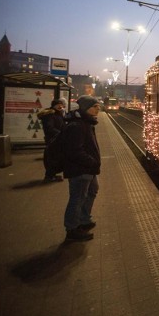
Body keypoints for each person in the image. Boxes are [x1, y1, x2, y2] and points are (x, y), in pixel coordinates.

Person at [62, 96, 101, 242]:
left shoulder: (86, 122)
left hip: (88, 169)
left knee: (92, 191)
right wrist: (91, 162)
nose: (98, 108)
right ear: (86, 108)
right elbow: (74, 151)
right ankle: (72, 229)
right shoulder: (77, 125)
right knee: (77, 198)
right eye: (95, 106)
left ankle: (84, 219)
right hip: (81, 170)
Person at [37, 98, 67, 182]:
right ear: (54, 105)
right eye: (58, 105)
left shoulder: (58, 114)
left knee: (57, 158)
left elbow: (62, 125)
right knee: (52, 158)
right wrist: (60, 133)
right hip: (52, 140)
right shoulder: (49, 115)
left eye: (61, 104)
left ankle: (52, 175)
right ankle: (49, 176)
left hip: (58, 139)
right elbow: (49, 128)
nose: (60, 106)